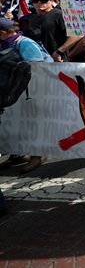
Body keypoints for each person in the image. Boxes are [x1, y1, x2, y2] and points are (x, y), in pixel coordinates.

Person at [0, 17, 50, 174]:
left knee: (30, 122)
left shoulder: (24, 43)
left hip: (29, 90)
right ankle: (18, 154)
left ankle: (38, 154)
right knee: (14, 122)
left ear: (3, 32)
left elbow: (36, 67)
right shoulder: (5, 42)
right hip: (11, 90)